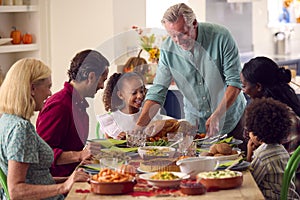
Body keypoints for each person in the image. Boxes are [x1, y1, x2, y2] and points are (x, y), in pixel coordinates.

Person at [135, 3, 246, 143]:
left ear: (194, 23)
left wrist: (217, 115)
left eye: (183, 34)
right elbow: (158, 91)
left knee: (236, 162)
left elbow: (235, 83)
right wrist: (138, 128)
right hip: (195, 124)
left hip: (230, 120)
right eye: (173, 36)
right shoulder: (168, 48)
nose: (178, 41)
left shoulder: (221, 37)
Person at [0, 58, 89, 200]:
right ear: (32, 88)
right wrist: (64, 186)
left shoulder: (6, 120)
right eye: (48, 86)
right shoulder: (21, 128)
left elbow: (34, 179)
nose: (49, 93)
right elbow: (16, 190)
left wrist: (68, 179)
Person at [36, 49, 109, 177]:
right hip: (57, 183)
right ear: (91, 77)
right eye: (102, 80)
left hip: (74, 174)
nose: (102, 86)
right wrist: (79, 155)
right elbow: (41, 153)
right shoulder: (60, 105)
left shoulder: (77, 104)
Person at [241, 56, 300, 154]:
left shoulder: (277, 117)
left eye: (244, 86)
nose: (243, 91)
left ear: (258, 87)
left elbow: (277, 160)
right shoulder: (281, 107)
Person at [244, 98, 299, 200]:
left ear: (256, 133)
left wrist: (249, 154)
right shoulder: (280, 149)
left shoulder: (262, 155)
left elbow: (250, 182)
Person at [97, 72, 162, 139]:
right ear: (120, 95)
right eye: (134, 93)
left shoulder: (149, 114)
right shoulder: (111, 120)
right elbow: (109, 145)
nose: (140, 96)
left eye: (142, 91)